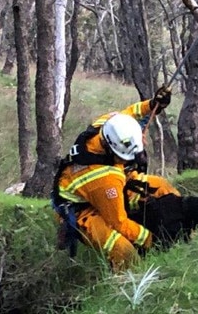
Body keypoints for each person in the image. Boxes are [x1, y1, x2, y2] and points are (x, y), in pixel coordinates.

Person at [51, 87, 174, 271]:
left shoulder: (109, 124)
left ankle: (183, 227)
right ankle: (125, 285)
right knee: (123, 251)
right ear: (110, 149)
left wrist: (154, 104)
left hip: (109, 185)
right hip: (82, 210)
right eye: (124, 157)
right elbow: (119, 222)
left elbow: (133, 112)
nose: (128, 160)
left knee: (161, 187)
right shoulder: (104, 179)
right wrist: (152, 240)